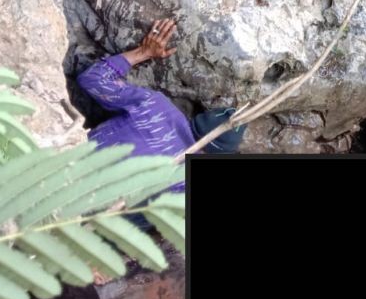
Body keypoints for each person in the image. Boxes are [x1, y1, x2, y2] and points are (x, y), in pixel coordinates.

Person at [76, 19, 247, 196]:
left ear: (198, 118)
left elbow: (91, 79)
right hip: (78, 220)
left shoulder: (154, 106)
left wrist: (142, 52)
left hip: (56, 168)